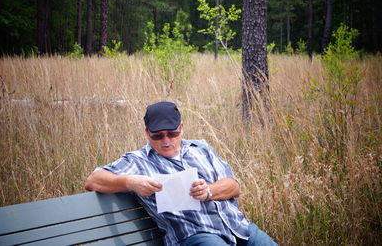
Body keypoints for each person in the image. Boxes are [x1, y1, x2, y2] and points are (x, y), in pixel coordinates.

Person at [85, 101, 277, 246]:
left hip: (238, 227)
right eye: (158, 136)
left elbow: (234, 186)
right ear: (147, 133)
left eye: (172, 133)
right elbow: (93, 181)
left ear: (181, 128)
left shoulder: (201, 148)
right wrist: (130, 182)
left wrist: (209, 190)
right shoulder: (138, 161)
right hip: (196, 235)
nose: (166, 140)